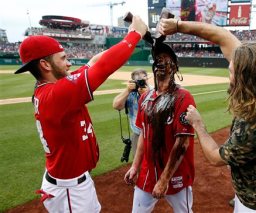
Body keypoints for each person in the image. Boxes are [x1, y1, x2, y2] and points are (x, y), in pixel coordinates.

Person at [14, 16, 147, 213]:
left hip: (70, 184)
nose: (68, 64)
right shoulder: (57, 94)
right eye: (63, 58)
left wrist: (127, 36)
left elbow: (94, 62)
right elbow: (103, 67)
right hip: (69, 189)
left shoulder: (50, 88)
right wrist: (135, 35)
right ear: (45, 65)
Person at [159, 19, 256, 212]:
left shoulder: (253, 126)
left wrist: (198, 125)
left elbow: (216, 158)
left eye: (232, 72)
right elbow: (223, 36)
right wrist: (178, 25)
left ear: (246, 79)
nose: (229, 75)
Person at [124, 41, 196, 212]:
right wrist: (135, 166)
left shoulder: (183, 97)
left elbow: (182, 144)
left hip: (175, 174)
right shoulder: (145, 98)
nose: (161, 62)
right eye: (158, 59)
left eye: (166, 58)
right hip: (147, 173)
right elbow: (143, 134)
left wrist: (164, 180)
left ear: (175, 67)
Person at [112, 69, 150, 157]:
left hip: (154, 134)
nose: (141, 83)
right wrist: (127, 90)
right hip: (138, 133)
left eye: (143, 80)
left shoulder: (155, 91)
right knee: (138, 164)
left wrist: (147, 94)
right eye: (138, 81)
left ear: (147, 79)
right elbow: (116, 106)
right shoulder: (130, 93)